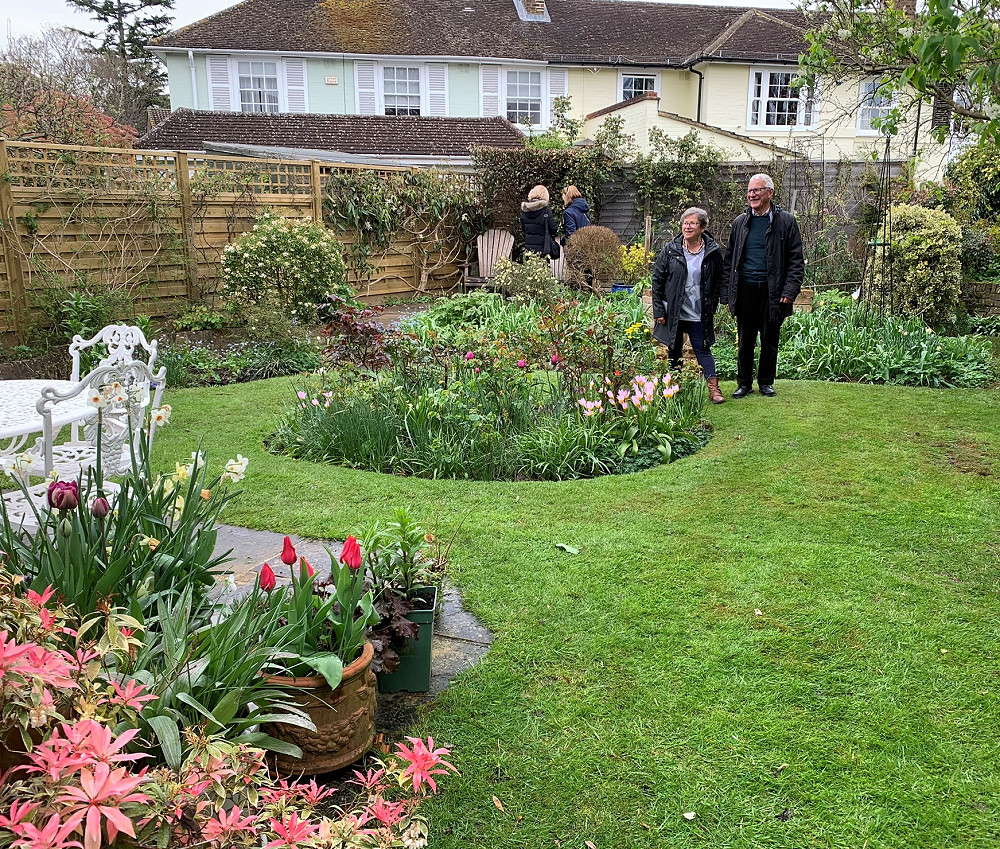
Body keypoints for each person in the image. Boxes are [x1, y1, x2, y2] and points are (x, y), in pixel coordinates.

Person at [721, 173, 804, 398]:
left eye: (757, 190)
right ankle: (744, 383)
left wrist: (789, 291)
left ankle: (766, 382)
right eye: (749, 191)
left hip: (773, 291)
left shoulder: (786, 221)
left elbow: (796, 260)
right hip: (745, 289)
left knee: (770, 340)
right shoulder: (740, 222)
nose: (752, 194)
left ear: (770, 193)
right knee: (745, 340)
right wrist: (726, 292)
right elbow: (730, 259)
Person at [651, 207, 725, 404]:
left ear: (702, 227)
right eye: (685, 223)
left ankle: (714, 389)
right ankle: (674, 388)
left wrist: (714, 305)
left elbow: (719, 281)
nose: (687, 226)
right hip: (674, 311)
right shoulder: (671, 249)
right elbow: (657, 280)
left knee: (702, 349)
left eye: (692, 223)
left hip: (699, 312)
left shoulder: (712, 251)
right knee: (674, 351)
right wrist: (659, 309)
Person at [520, 184, 559, 258]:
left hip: (529, 248)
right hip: (543, 248)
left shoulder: (525, 211)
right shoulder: (546, 210)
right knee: (543, 267)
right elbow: (553, 229)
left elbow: (523, 229)